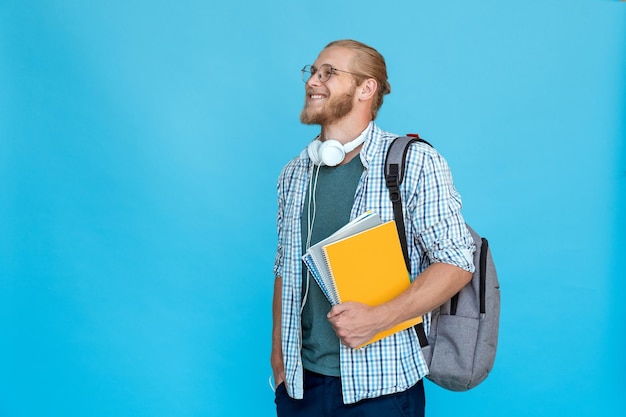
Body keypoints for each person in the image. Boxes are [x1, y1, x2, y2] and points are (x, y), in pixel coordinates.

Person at [271, 39, 476, 417]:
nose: (313, 81)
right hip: (301, 388)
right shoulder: (294, 174)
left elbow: (458, 261)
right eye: (313, 72)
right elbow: (286, 269)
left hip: (382, 390)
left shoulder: (414, 163)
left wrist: (377, 320)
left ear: (366, 88)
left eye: (329, 73)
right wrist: (279, 361)